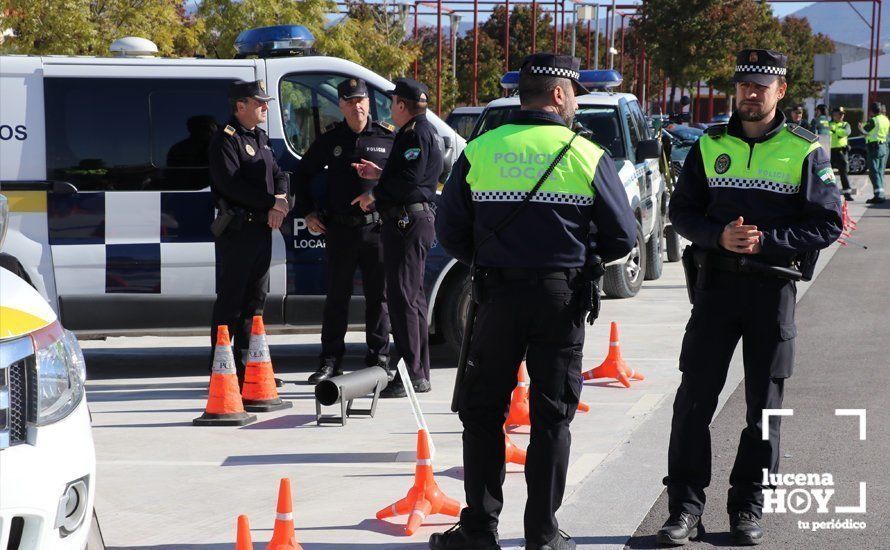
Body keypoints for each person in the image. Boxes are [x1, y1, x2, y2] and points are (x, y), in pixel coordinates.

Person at [431, 53, 637, 550]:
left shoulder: (480, 150)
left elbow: (449, 230)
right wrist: (582, 259)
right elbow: (624, 236)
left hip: (496, 295)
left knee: (483, 414)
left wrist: (489, 256)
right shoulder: (585, 153)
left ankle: (480, 531)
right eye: (576, 100)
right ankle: (543, 535)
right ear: (560, 95)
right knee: (551, 417)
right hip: (560, 299)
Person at [658, 50, 842, 547]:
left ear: (781, 91)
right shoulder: (709, 144)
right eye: (744, 85)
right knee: (694, 400)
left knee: (764, 407)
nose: (750, 93)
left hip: (771, 289)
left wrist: (767, 241)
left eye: (761, 86)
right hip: (716, 288)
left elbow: (827, 223)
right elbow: (683, 212)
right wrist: (718, 238)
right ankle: (684, 510)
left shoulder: (805, 149)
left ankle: (747, 506)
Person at [293, 78, 396, 383]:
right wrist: (308, 212)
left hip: (376, 230)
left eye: (361, 100)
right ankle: (330, 361)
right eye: (350, 101)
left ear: (369, 101)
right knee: (337, 297)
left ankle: (378, 359)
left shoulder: (388, 137)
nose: (357, 106)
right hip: (340, 231)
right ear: (340, 105)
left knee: (379, 299)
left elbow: (402, 177)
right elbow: (302, 175)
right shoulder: (330, 140)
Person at [352, 78, 443, 398]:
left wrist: (373, 194)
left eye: (393, 103)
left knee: (403, 299)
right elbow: (408, 175)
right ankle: (417, 372)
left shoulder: (416, 133)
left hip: (406, 221)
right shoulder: (414, 132)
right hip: (409, 220)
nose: (390, 108)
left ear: (403, 106)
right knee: (411, 298)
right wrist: (379, 173)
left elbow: (409, 181)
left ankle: (412, 374)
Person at [208, 80, 290, 383]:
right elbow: (232, 185)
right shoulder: (225, 140)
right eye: (259, 103)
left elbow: (279, 174)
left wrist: (280, 201)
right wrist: (271, 203)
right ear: (240, 106)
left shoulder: (261, 137)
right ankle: (221, 367)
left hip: (262, 230)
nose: (265, 107)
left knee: (255, 300)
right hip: (239, 231)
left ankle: (249, 367)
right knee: (231, 301)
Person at [859, 101, 889, 204]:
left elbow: (865, 132)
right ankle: (881, 193)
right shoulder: (886, 120)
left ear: (872, 111)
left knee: (873, 172)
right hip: (883, 147)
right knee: (880, 172)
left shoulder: (873, 121)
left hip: (874, 148)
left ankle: (878, 196)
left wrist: (860, 128)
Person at [828, 107, 853, 201]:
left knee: (844, 173)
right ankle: (829, 193)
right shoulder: (828, 124)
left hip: (841, 152)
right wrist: (834, 130)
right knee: (828, 174)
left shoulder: (845, 124)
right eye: (840, 114)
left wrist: (834, 130)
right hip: (829, 152)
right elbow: (826, 133)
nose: (842, 116)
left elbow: (846, 132)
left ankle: (847, 193)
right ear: (834, 115)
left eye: (843, 114)